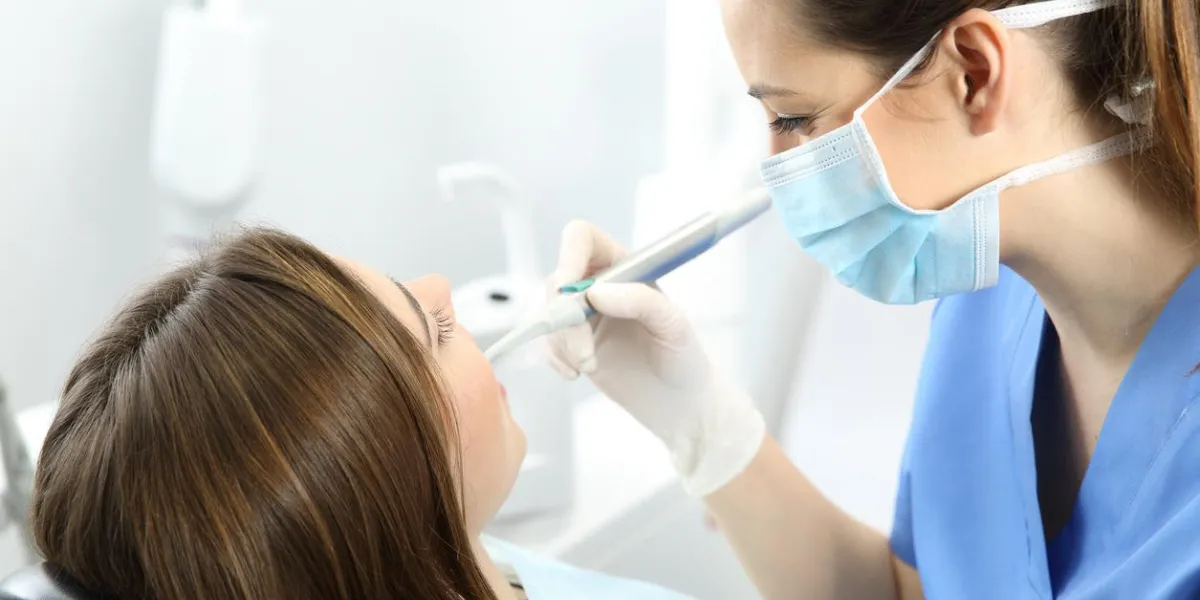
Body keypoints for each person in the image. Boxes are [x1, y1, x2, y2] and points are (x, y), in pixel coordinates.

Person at [543, 0, 1200, 598]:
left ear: (974, 71)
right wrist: (701, 424)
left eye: (793, 118)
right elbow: (910, 592)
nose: (774, 173)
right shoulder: (984, 309)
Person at [29, 228, 694, 600]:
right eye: (432, 334)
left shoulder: (479, 562)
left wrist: (717, 444)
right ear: (386, 506)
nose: (443, 289)